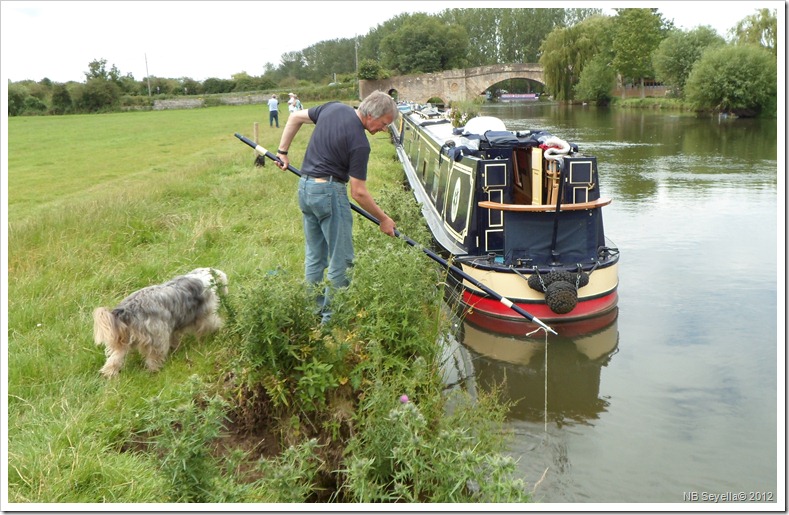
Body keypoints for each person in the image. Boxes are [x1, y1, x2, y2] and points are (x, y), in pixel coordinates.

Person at [275, 90, 398, 323]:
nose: (384, 129)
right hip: (330, 193)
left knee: (315, 255)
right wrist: (384, 219)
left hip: (305, 188)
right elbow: (359, 193)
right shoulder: (361, 144)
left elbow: (294, 118)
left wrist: (283, 153)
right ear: (372, 115)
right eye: (384, 124)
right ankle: (332, 321)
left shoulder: (333, 108)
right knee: (341, 259)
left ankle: (314, 313)